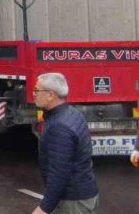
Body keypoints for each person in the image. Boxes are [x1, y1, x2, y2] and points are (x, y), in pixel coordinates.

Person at [32, 73, 99, 214]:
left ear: (50, 95)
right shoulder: (73, 113)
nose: (34, 94)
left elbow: (59, 172)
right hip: (85, 194)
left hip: (72, 202)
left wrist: (44, 208)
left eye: (37, 90)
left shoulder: (59, 126)